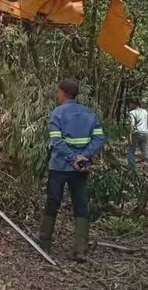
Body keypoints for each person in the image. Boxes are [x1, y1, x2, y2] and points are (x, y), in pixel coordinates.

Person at [39, 78, 105, 261]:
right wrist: (84, 156)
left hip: (59, 167)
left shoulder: (57, 113)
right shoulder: (89, 113)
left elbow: (56, 141)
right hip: (80, 168)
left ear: (63, 93)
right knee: (81, 204)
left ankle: (44, 242)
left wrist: (71, 158)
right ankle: (80, 249)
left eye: (58, 92)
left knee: (53, 201)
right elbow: (99, 137)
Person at [127, 98, 148, 175]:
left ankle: (131, 170)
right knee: (145, 151)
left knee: (131, 150)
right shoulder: (145, 111)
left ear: (134, 104)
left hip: (136, 133)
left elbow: (132, 124)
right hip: (144, 133)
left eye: (130, 103)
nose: (129, 105)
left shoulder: (132, 113)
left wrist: (129, 134)